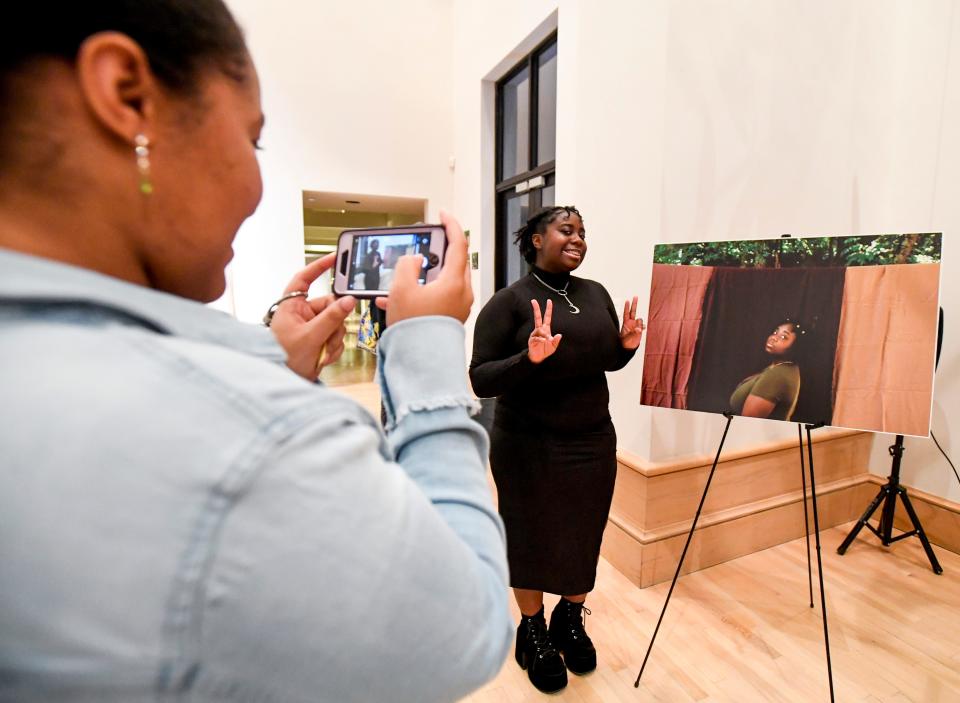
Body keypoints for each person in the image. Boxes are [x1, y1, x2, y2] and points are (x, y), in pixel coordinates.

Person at [0, 3, 512, 702]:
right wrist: (426, 346)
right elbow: (469, 623)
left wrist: (269, 359)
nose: (254, 183)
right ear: (127, 94)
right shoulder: (253, 442)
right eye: (253, 140)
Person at [469, 206, 644, 693]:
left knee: (582, 531)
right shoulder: (507, 304)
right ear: (535, 241)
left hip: (591, 438)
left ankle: (570, 619)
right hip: (527, 442)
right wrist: (529, 358)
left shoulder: (596, 294)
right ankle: (533, 629)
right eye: (567, 230)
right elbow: (481, 379)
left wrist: (625, 347)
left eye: (583, 232)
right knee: (529, 534)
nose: (578, 239)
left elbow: (604, 361)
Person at [729, 319, 805, 421]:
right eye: (775, 332)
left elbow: (748, 423)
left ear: (796, 347)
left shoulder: (777, 376)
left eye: (783, 337)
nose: (773, 338)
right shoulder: (782, 368)